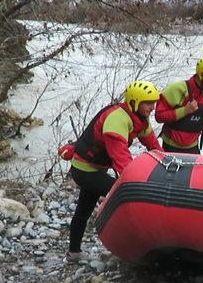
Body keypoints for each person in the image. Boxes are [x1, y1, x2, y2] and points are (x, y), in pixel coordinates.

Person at [66, 80, 163, 262]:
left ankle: (73, 253)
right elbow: (122, 160)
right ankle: (130, 248)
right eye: (149, 103)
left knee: (84, 209)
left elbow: (153, 145)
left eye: (154, 103)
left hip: (95, 168)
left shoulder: (139, 118)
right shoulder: (117, 120)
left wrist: (166, 165)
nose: (153, 107)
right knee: (123, 198)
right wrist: (138, 185)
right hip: (84, 169)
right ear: (135, 102)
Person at [155, 56, 203, 155]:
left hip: (193, 150)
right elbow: (159, 117)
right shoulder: (177, 90)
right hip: (170, 148)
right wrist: (184, 111)